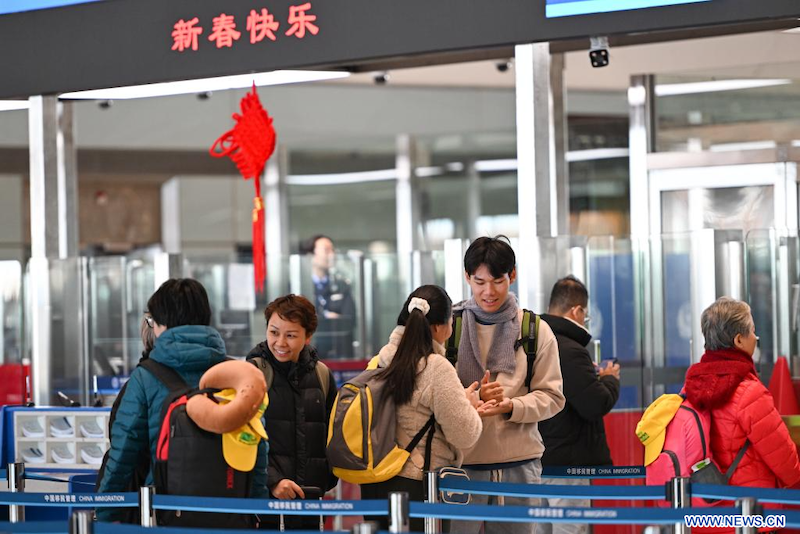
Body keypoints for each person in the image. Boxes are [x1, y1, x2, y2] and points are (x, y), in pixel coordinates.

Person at [96, 279, 269, 522]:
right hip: (231, 513)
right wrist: (258, 513)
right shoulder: (239, 375)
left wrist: (103, 514)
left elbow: (123, 456)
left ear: (161, 324)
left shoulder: (146, 377)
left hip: (166, 514)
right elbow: (256, 448)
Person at [450, 236, 565, 534]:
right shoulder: (450, 327)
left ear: (512, 275)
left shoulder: (535, 330)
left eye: (498, 280)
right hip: (461, 466)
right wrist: (470, 398)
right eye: (479, 282)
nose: (489, 292)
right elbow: (429, 396)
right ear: (467, 278)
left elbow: (553, 396)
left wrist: (512, 406)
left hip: (519, 464)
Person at [360, 285, 492, 532]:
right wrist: (470, 406)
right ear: (439, 327)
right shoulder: (436, 368)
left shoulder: (379, 360)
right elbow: (465, 433)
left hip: (374, 483)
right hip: (417, 486)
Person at [683, 298, 800, 516]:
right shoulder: (749, 393)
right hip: (750, 513)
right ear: (739, 340)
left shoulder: (691, 388)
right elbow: (786, 462)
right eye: (753, 331)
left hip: (706, 511)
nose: (756, 338)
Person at [246, 294, 338, 531]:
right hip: (268, 502)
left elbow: (332, 433)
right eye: (274, 332)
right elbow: (243, 437)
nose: (280, 343)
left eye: (291, 335)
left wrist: (326, 478)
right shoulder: (253, 373)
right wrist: (273, 481)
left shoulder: (322, 375)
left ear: (307, 337)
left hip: (311, 499)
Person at [539, 276, 620, 534]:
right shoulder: (569, 349)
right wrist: (610, 380)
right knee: (570, 528)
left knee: (540, 527)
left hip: (536, 457)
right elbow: (595, 403)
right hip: (566, 463)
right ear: (577, 310)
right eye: (585, 316)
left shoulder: (535, 343)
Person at [302, 235, 356, 359]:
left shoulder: (342, 285)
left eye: (333, 250)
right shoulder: (300, 285)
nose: (332, 255)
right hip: (308, 354)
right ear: (311, 255)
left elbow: (350, 319)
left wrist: (320, 318)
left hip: (339, 353)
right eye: (326, 250)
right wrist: (327, 317)